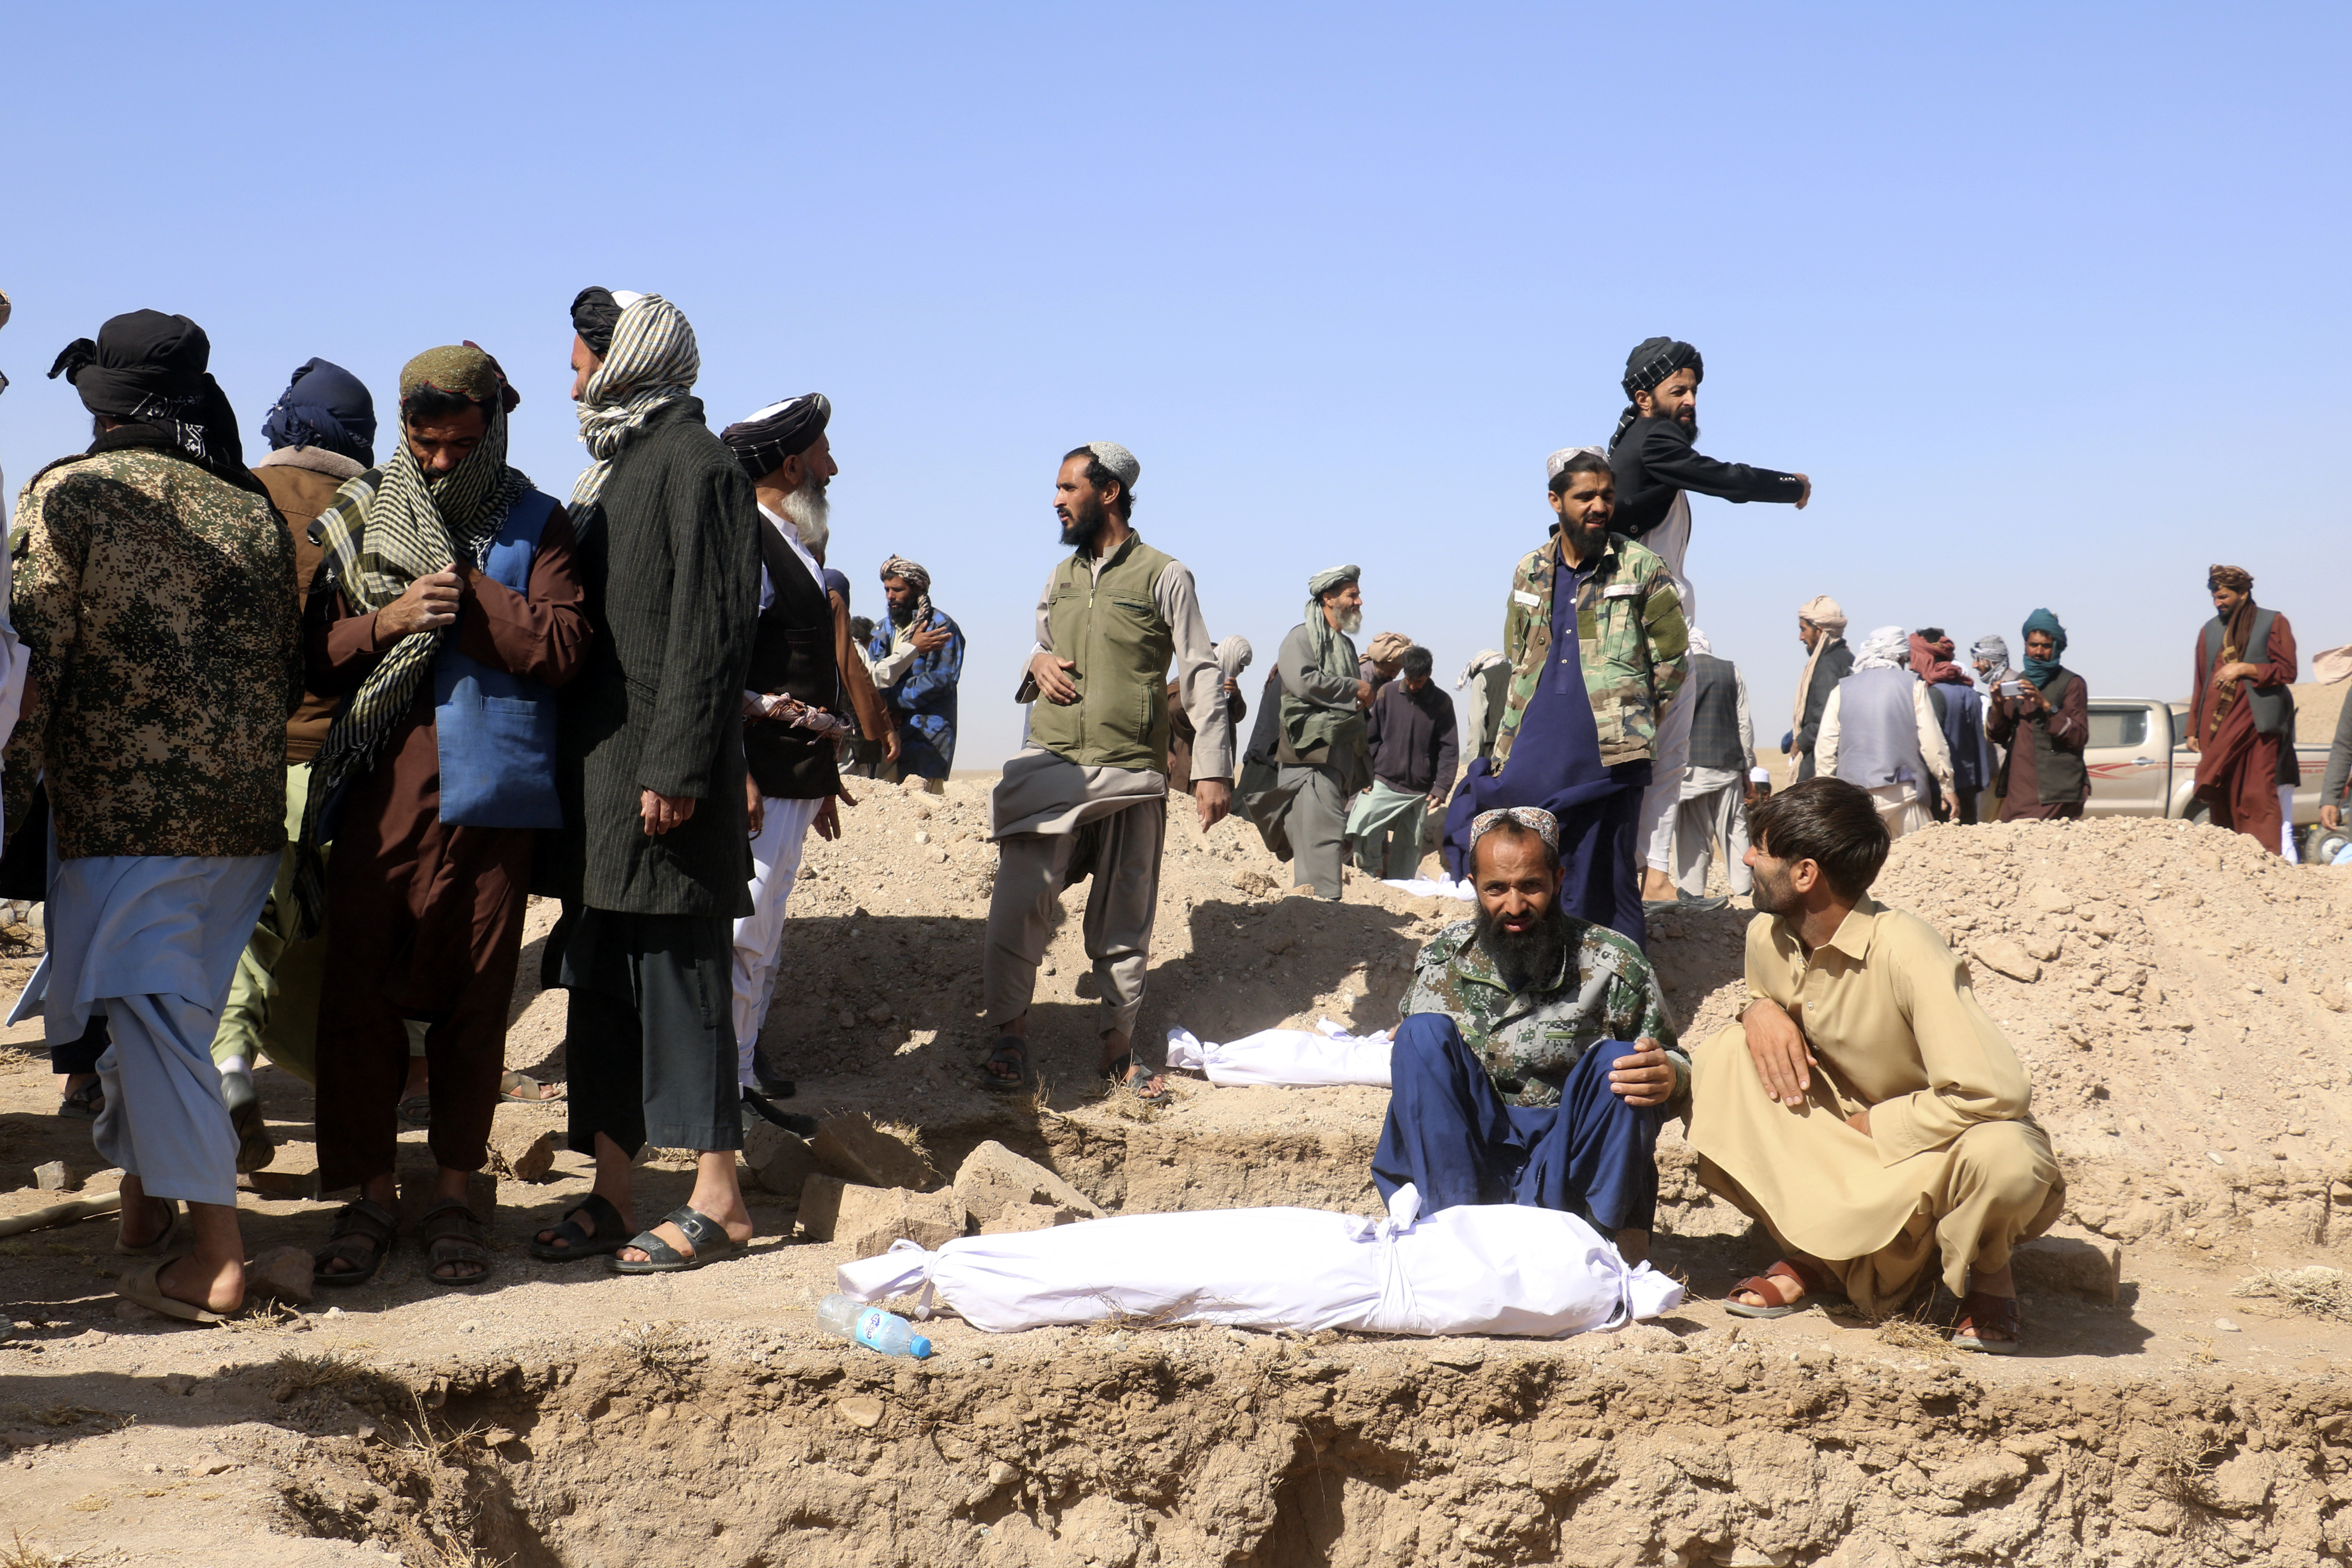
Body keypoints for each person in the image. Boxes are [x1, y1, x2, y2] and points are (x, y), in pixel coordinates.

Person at [15, 309, 298, 1320]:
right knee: (161, 1010)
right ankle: (144, 1209)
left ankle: (220, 1256)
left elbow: (29, 666)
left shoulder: (70, 493)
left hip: (123, 816)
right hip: (241, 818)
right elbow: (286, 660)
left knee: (150, 1017)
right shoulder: (248, 506)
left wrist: (8, 797)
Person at [296, 345, 588, 1288]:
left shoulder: (539, 523)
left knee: (473, 1004)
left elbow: (565, 644)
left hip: (490, 808)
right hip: (382, 801)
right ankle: (369, 1195)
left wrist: (469, 599)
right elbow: (316, 655)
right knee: (357, 1004)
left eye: (459, 446)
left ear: (493, 430)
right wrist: (384, 621)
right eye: (423, 445)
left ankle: (455, 1192)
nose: (436, 464)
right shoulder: (359, 521)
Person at [529, 286, 760, 1275]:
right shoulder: (616, 467)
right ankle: (613, 1191)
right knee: (604, 985)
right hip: (603, 781)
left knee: (684, 980)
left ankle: (721, 1198)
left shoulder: (697, 465)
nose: (570, 377)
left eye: (580, 358)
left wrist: (675, 767)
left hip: (663, 783)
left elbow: (711, 632)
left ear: (621, 358)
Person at [1688, 777, 2062, 1351]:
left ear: (1806, 874)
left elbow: (1998, 1092)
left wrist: (1880, 1126)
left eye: (1762, 848)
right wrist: (1755, 1009)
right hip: (1833, 1145)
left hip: (1924, 1152)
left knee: (2009, 1157)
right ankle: (1817, 1253)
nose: (1747, 857)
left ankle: (1988, 1275)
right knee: (1729, 1058)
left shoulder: (1906, 948)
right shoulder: (1767, 933)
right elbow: (1770, 1039)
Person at [980, 442, 1232, 1101]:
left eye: (1068, 488)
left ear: (1109, 492)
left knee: (1124, 916)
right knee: (1018, 902)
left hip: (1131, 772)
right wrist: (1036, 662)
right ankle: (1009, 1034)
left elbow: (1200, 668)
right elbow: (1042, 641)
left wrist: (1211, 767)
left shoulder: (1164, 574)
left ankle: (1118, 1051)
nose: (1057, 500)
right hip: (1055, 766)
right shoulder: (1059, 578)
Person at [196, 358, 377, 1175]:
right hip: (341, 762)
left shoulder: (233, 493)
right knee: (335, 940)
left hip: (243, 760)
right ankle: (355, 1117)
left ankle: (230, 1066)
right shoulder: (373, 509)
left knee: (244, 930)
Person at [1374, 807, 1682, 1264]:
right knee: (1420, 1036)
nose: (1514, 907)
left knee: (1622, 1060)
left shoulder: (1613, 961)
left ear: (1557, 879)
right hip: (1465, 1157)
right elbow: (1423, 1075)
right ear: (1474, 884)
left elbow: (1670, 1061)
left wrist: (1671, 1074)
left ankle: (1597, 1248)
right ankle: (1452, 1240)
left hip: (1567, 1160)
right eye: (1496, 889)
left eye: (1531, 887)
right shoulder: (1443, 959)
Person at [1440, 448, 1687, 948]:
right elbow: (1518, 652)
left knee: (1604, 876)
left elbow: (1673, 662)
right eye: (1585, 496)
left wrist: (1630, 716)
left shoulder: (1642, 567)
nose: (1599, 506)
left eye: (1607, 496)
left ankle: (1614, 990)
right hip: (1534, 746)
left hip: (1609, 757)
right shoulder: (1529, 570)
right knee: (1531, 868)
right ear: (1556, 501)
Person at [1606, 338, 1810, 905]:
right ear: (1646, 397)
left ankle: (1645, 874)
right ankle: (1652, 877)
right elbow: (1726, 480)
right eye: (1680, 390)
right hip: (1646, 627)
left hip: (1640, 621)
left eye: (1695, 389)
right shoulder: (1656, 436)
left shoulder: (1632, 440)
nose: (1692, 400)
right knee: (1663, 755)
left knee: (1653, 755)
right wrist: (1790, 486)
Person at [717, 393, 860, 1101]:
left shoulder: (792, 540)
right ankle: (725, 1093)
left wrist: (821, 775)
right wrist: (738, 767)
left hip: (793, 776)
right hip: (761, 776)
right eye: (824, 454)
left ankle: (743, 1080)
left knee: (764, 936)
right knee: (743, 932)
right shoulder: (747, 538)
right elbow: (724, 665)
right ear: (794, 462)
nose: (833, 467)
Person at [1239, 566, 1372, 900]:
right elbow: (1303, 682)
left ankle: (1314, 912)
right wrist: (1353, 687)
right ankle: (1323, 909)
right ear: (1328, 598)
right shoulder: (1301, 638)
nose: (1359, 601)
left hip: (1337, 756)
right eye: (1352, 595)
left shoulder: (1342, 645)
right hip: (1310, 754)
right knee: (1321, 836)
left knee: (1320, 835)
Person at [2187, 565, 2299, 853]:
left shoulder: (2272, 622)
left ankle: (2266, 862)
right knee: (2220, 794)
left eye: (2223, 596)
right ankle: (2232, 864)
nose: (2218, 603)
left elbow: (2288, 670)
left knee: (2256, 794)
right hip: (2218, 728)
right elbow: (2201, 682)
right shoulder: (2209, 631)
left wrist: (2246, 668)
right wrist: (2193, 729)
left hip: (2258, 726)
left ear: (2243, 593)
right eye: (2214, 597)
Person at [1816, 626, 1954, 840]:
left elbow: (1826, 748)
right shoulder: (1913, 686)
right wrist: (1948, 786)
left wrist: (1825, 795)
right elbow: (1932, 743)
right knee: (1917, 865)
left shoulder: (1842, 690)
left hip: (1856, 801)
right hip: (1905, 797)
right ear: (1901, 657)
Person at [1347, 644, 1459, 879]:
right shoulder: (1387, 693)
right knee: (1363, 825)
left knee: (1409, 842)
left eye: (1418, 681)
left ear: (1428, 675)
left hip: (1419, 788)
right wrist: (1366, 775)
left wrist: (1441, 788)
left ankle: (1402, 885)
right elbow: (1372, 738)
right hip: (1383, 780)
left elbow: (1449, 750)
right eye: (1409, 679)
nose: (1412, 686)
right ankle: (1370, 875)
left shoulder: (1442, 703)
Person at [1668, 629, 1754, 899]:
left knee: (1692, 837)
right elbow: (1745, 726)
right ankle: (1746, 893)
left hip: (1689, 769)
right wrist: (1747, 768)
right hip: (1728, 765)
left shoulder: (1675, 673)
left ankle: (1692, 896)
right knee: (1735, 831)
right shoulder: (1731, 671)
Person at [1985, 610, 2090, 823]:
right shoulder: (2018, 683)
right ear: (2026, 645)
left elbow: (2079, 737)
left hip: (2056, 791)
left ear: (2056, 648)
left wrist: (2046, 706)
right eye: (2034, 645)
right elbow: (1997, 735)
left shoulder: (2071, 683)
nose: (2039, 652)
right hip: (2019, 789)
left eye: (2046, 646)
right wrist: (1997, 706)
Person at [867, 554, 961, 789]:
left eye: (897, 590)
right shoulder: (882, 628)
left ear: (917, 588)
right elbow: (872, 675)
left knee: (924, 806)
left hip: (927, 735)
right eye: (887, 590)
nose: (890, 596)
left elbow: (940, 679)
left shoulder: (941, 627)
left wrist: (890, 701)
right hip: (887, 733)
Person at [1908, 629, 1988, 824]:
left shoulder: (1933, 694)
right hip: (1969, 786)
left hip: (1942, 793)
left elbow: (1930, 745)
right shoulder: (1968, 690)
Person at [1169, 635, 1250, 799]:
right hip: (1187, 763)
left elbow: (1238, 716)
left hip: (1219, 766)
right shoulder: (1185, 683)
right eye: (1240, 665)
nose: (1241, 670)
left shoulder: (1227, 686)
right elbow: (1172, 711)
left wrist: (1235, 695)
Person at [1787, 595, 1853, 783]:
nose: (1801, 637)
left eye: (1804, 629)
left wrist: (1799, 743)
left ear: (1820, 631)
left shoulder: (1827, 665)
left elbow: (1823, 720)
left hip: (1821, 767)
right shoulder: (1847, 659)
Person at [1457, 649, 1511, 764]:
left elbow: (1477, 723)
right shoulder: (1521, 672)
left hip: (1495, 754)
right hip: (1526, 749)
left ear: (1480, 667)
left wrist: (1475, 763)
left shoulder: (1482, 678)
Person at [1359, 630, 1412, 694]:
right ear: (1379, 662)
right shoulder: (1362, 677)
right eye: (1392, 671)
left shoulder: (1383, 680)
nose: (1394, 676)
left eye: (1398, 672)